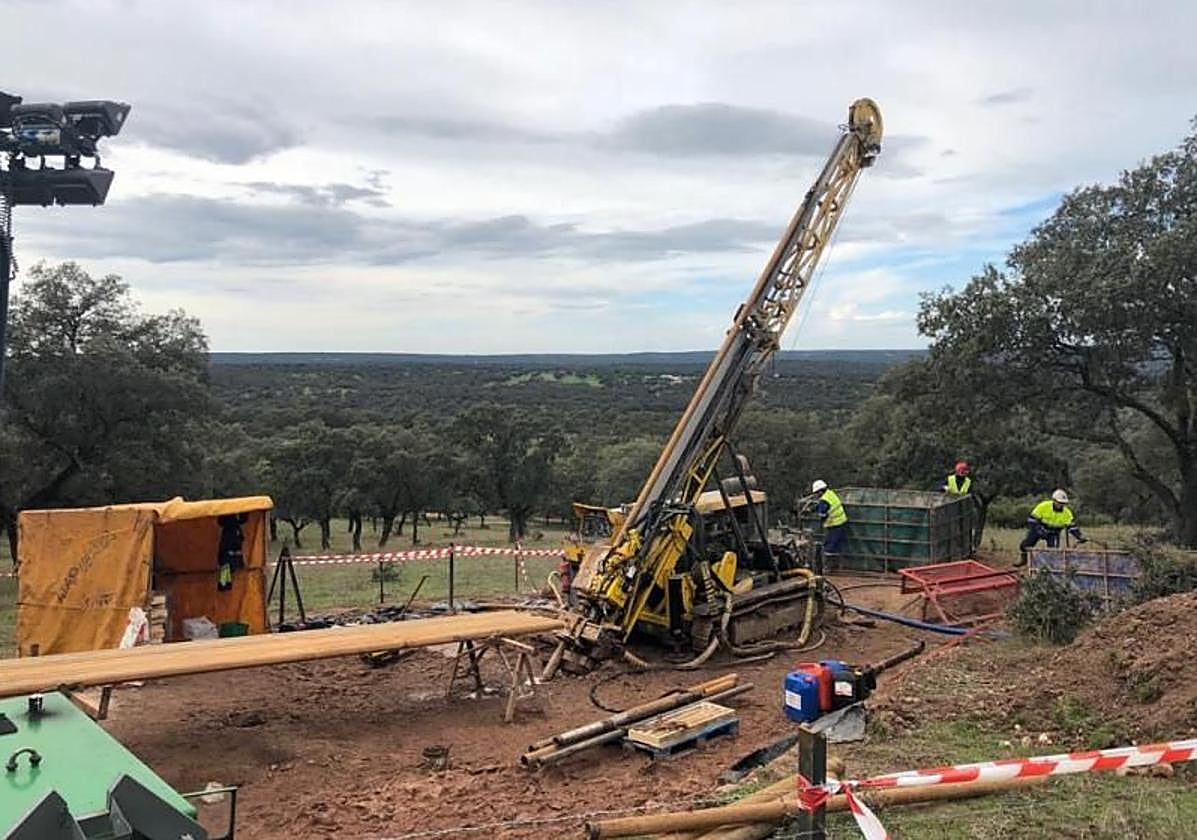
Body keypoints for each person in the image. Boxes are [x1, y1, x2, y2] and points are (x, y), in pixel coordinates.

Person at [1017, 489, 1086, 565]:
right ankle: (1024, 560)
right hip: (1039, 529)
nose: (1061, 505)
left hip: (1053, 533)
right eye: (1059, 502)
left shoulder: (1067, 513)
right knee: (1026, 545)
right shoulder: (1043, 506)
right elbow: (1032, 520)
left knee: (1053, 552)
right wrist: (1039, 530)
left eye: (1063, 503)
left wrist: (1079, 536)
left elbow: (1072, 527)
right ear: (1054, 500)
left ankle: (1051, 566)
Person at [811, 479, 848, 559]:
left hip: (834, 524)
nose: (816, 495)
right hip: (841, 521)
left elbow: (822, 514)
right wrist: (814, 508)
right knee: (834, 544)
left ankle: (827, 566)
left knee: (829, 546)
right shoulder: (830, 493)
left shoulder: (823, 501)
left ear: (820, 491)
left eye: (816, 493)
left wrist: (819, 524)